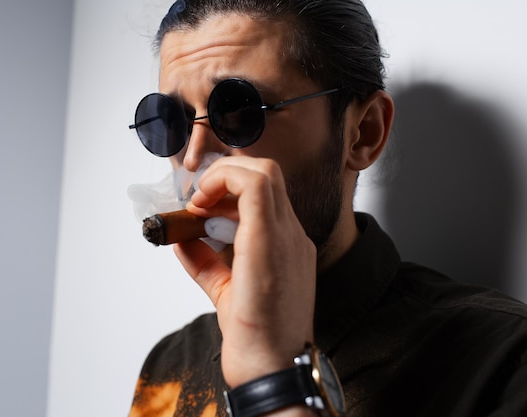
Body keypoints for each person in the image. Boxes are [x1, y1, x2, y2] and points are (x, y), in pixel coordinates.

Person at [127, 1, 527, 416]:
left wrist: (276, 379)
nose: (192, 159)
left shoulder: (506, 360)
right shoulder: (169, 366)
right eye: (172, 119)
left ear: (363, 133)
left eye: (239, 110)